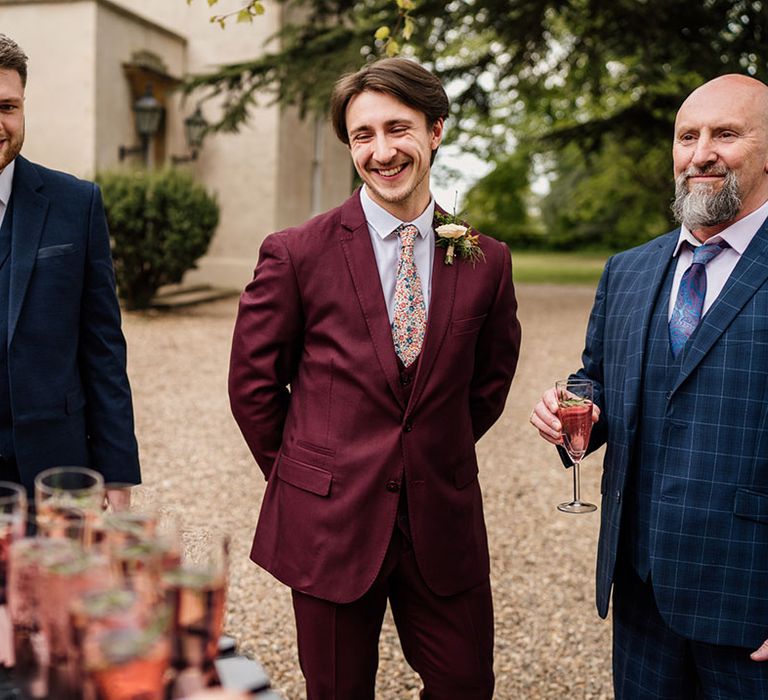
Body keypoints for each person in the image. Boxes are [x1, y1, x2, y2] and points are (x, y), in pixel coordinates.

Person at [229, 57, 521, 699]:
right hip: (329, 523)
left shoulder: (485, 259)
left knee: (467, 684)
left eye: (399, 129)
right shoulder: (296, 252)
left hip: (442, 519)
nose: (382, 151)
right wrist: (312, 477)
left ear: (436, 130)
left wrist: (431, 453)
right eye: (364, 135)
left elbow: (491, 380)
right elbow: (253, 387)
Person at [531, 73, 768, 698]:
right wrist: (573, 412)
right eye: (686, 136)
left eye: (726, 134)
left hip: (750, 603)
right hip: (642, 594)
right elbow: (596, 379)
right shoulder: (629, 270)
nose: (700, 153)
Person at [0, 34, 140, 508]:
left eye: (7, 106)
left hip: (54, 476)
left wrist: (117, 480)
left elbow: (103, 350)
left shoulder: (76, 204)